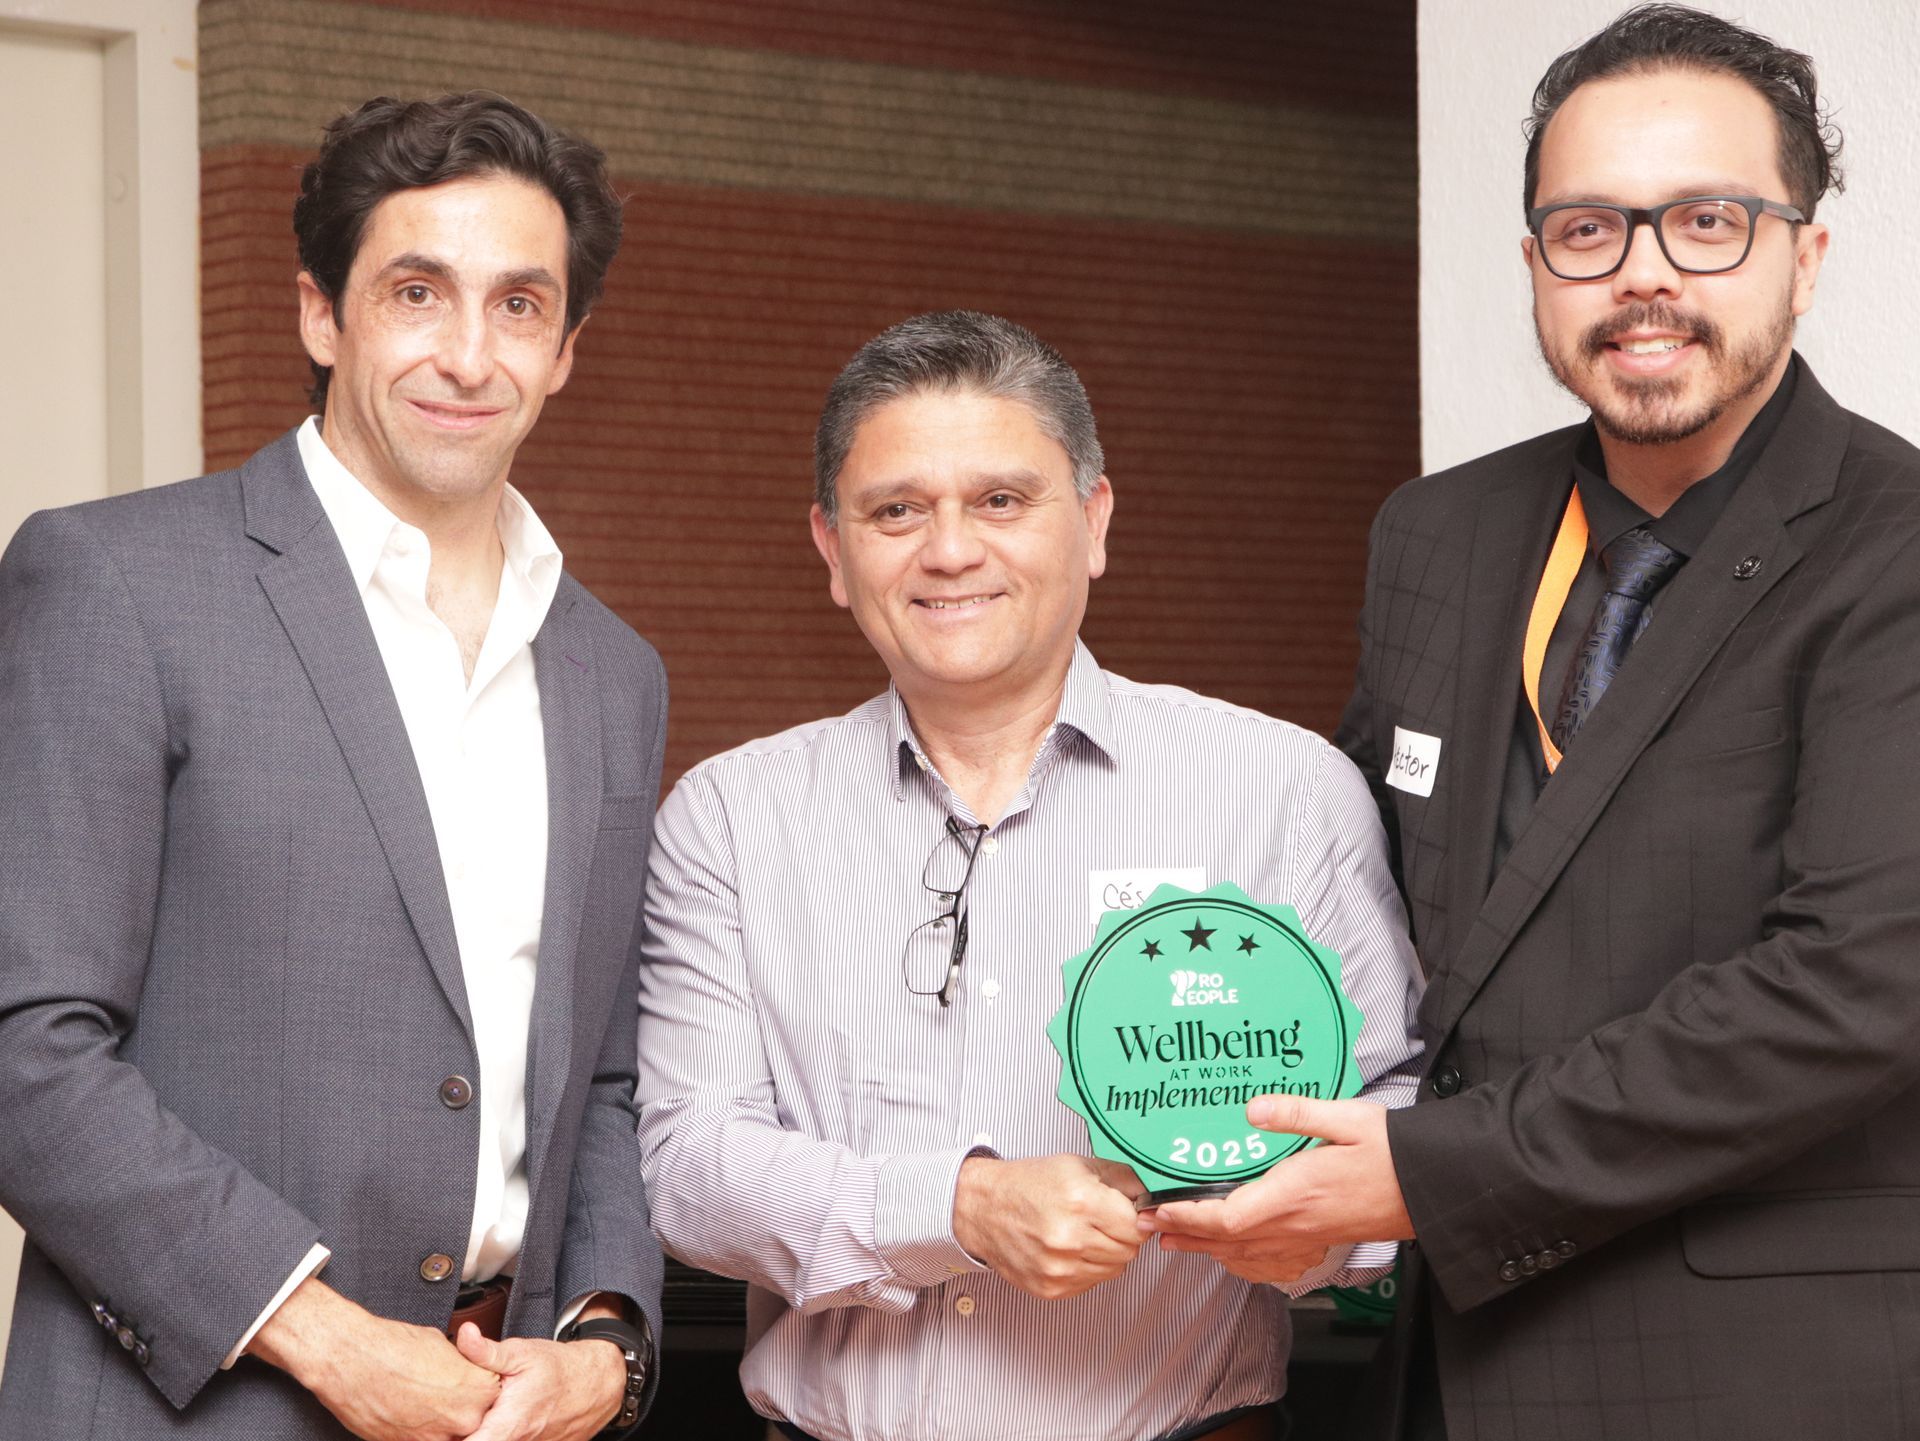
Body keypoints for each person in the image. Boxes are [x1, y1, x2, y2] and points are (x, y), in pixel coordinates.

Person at [1142, 6, 1920, 1438]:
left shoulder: (1897, 545)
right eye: (1588, 230)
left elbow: (1856, 989)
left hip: (1769, 1375)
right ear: (1535, 266)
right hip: (1454, 1366)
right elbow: (1365, 895)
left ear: (1806, 256)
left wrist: (1428, 1174)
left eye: (1708, 222)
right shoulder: (1438, 531)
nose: (1644, 275)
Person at [0, 93, 665, 1440]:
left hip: (506, 1409)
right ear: (322, 314)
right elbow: (27, 1044)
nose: (468, 354)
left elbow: (603, 1079)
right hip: (195, 1404)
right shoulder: (117, 582)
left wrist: (608, 1339)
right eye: (417, 292)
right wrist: (328, 1339)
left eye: (518, 305)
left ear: (566, 352)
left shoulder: (615, 672)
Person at [635, 310, 1424, 1441]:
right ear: (832, 548)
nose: (950, 550)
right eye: (896, 510)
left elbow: (1398, 1118)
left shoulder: (1283, 789)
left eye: (1002, 500)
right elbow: (689, 1165)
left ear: (1094, 521)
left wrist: (1310, 1232)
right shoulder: (730, 817)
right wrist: (961, 1206)